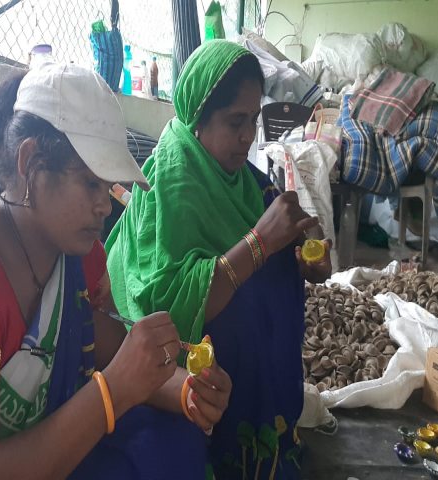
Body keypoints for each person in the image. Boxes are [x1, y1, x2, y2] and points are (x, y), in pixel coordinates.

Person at [0, 62, 232, 479]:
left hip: (33, 452)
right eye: (90, 183)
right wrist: (112, 393)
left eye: (108, 188)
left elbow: (108, 352)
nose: (104, 206)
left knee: (172, 443)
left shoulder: (76, 254)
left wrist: (186, 392)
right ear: (30, 161)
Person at [106, 40, 332, 479]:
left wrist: (306, 256)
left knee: (272, 274)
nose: (249, 136)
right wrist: (259, 244)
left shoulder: (243, 179)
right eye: (235, 122)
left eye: (253, 119)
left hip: (244, 379)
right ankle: (230, 450)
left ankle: (267, 442)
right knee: (247, 295)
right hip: (171, 369)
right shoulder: (169, 183)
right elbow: (165, 304)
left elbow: (288, 228)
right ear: (197, 118)